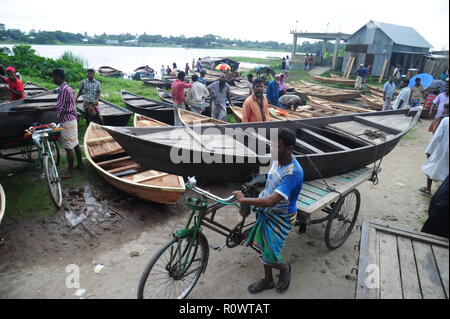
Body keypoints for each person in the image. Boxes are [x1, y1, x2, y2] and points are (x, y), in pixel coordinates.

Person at [232, 128, 304, 294]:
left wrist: (243, 199)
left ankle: (285, 269)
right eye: (271, 145)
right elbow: (267, 181)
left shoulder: (293, 172)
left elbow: (271, 201)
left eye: (277, 147)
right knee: (263, 249)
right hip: (265, 212)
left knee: (271, 254)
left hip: (281, 217)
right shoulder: (276, 159)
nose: (272, 149)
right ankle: (268, 280)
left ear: (289, 149)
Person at [36, 69, 83, 179]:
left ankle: (70, 171)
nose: (53, 79)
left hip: (67, 120)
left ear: (58, 77)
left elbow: (58, 107)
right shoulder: (68, 88)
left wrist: (42, 108)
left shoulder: (64, 90)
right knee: (75, 143)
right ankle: (80, 164)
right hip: (72, 119)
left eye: (54, 77)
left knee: (68, 147)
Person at [419, 108, 448, 195]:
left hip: (442, 150)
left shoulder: (445, 120)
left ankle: (428, 189)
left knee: (431, 167)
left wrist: (429, 151)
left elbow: (436, 136)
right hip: (444, 151)